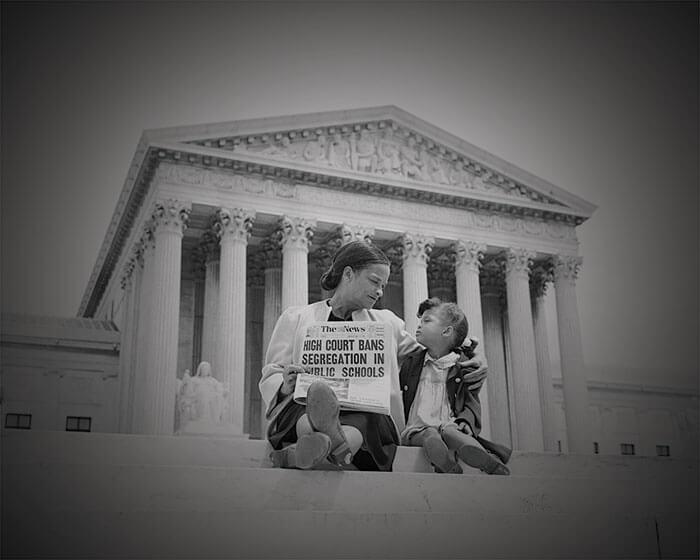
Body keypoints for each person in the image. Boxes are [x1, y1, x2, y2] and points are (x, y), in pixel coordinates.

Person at [259, 241, 487, 471]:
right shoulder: (296, 318)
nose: (379, 291)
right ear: (348, 274)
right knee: (308, 408)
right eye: (374, 281)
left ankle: (315, 446)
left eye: (384, 285)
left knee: (367, 416)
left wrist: (466, 357)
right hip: (306, 403)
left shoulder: (387, 323)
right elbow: (272, 373)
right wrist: (286, 384)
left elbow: (431, 356)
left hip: (366, 412)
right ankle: (335, 445)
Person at [400, 298, 512, 475]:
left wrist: (467, 421)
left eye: (427, 321)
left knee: (453, 433)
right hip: (418, 425)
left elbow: (471, 399)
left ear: (446, 331)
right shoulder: (412, 363)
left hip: (449, 422)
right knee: (429, 434)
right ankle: (445, 462)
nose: (419, 325)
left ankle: (488, 461)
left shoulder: (462, 365)